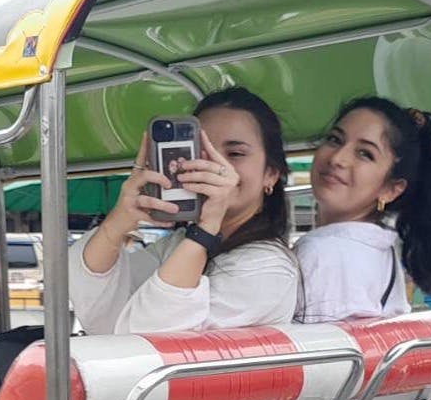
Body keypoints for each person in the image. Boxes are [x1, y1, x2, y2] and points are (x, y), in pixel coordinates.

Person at [69, 87, 299, 334]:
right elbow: (99, 312)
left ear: (271, 174)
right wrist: (119, 221)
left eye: (235, 154)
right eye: (201, 152)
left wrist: (204, 232)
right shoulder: (177, 245)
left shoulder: (267, 267)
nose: (214, 166)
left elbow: (147, 338)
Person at [295, 97, 431, 323]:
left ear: (391, 190)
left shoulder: (321, 253)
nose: (338, 158)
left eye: (365, 153)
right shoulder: (380, 251)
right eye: (335, 140)